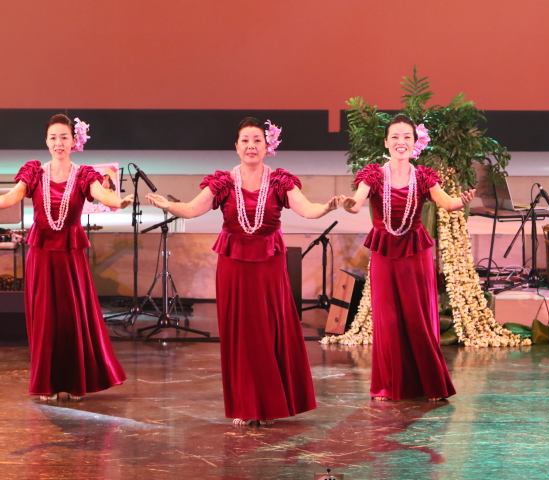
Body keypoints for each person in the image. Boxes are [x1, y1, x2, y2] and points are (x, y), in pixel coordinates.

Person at [147, 117, 342, 426]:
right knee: (240, 331)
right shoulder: (223, 182)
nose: (251, 146)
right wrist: (168, 206)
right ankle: (246, 403)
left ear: (267, 146)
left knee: (268, 328)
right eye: (245, 141)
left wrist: (327, 207)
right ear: (236, 146)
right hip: (234, 263)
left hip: (269, 264)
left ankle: (270, 403)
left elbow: (308, 209)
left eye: (257, 140)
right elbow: (192, 209)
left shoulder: (280, 182)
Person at [0, 114, 133, 402]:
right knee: (45, 318)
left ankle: (74, 382)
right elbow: (10, 198)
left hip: (71, 255)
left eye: (64, 137)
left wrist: (119, 202)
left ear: (74, 142)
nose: (58, 143)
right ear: (46, 141)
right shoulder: (34, 173)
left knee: (72, 317)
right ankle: (47, 383)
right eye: (53, 137)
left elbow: (103, 195)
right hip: (41, 254)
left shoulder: (83, 174)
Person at [342, 114, 474, 402]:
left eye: (407, 137)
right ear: (386, 142)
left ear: (416, 143)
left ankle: (430, 385)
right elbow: (357, 202)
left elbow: (447, 202)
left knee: (418, 317)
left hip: (416, 252)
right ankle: (388, 385)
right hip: (384, 252)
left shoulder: (424, 176)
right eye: (395, 137)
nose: (400, 142)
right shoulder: (373, 175)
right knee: (387, 319)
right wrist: (348, 204)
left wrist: (460, 201)